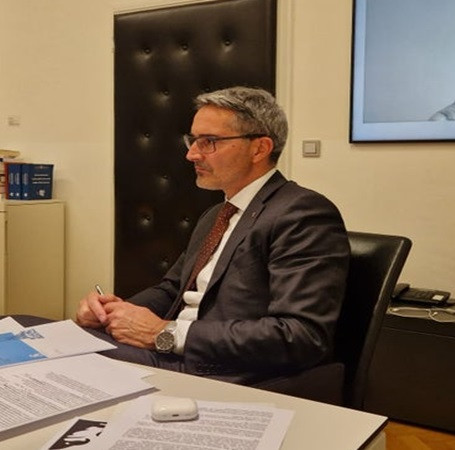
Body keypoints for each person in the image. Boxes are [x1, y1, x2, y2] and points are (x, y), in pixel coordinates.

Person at [76, 86, 350, 385]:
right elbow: (172, 290)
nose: (191, 154)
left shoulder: (302, 213)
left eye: (209, 142)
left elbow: (299, 335)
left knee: (64, 354)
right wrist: (112, 313)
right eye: (193, 140)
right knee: (54, 336)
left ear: (259, 148)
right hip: (175, 354)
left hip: (223, 370)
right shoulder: (217, 214)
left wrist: (163, 333)